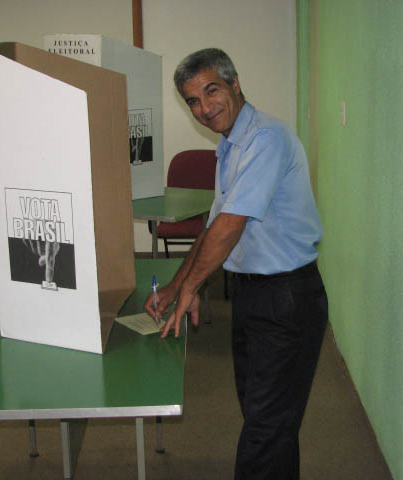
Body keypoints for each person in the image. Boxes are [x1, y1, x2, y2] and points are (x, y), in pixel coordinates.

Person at [144, 48, 328, 480]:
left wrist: (193, 288)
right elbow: (213, 226)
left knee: (266, 428)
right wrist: (177, 286)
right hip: (252, 293)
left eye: (212, 91)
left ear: (235, 83)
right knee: (268, 420)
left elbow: (230, 226)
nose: (204, 108)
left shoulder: (266, 139)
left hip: (286, 298)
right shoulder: (231, 146)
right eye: (193, 101)